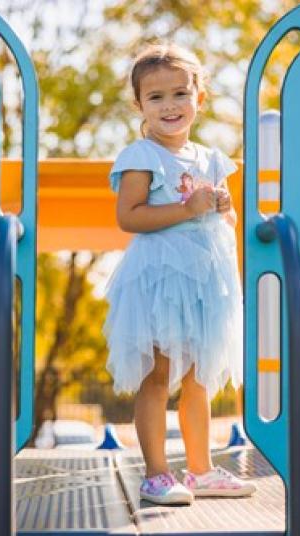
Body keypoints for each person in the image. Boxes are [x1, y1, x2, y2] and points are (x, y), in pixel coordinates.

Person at [103, 44, 255, 505]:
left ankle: (201, 470)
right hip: (158, 279)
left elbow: (220, 222)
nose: (169, 106)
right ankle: (155, 474)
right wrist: (187, 207)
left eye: (179, 94)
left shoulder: (210, 158)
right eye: (155, 98)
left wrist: (223, 208)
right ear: (139, 105)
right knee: (157, 373)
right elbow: (129, 217)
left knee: (198, 377)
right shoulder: (141, 156)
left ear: (199, 99)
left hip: (203, 282)